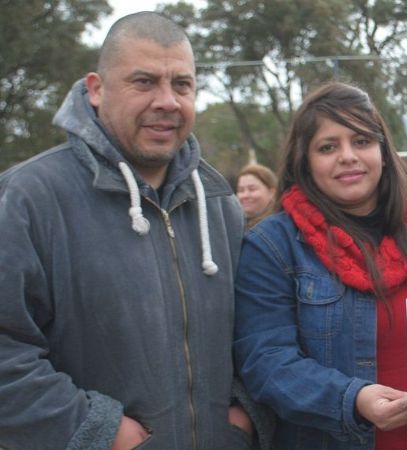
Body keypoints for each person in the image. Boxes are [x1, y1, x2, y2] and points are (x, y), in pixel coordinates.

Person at [0, 12, 262, 450]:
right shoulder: (30, 198)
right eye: (144, 82)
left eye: (182, 84)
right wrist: (100, 432)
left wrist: (242, 415)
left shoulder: (220, 205)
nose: (168, 101)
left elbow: (260, 335)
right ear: (96, 89)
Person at [234, 82, 407, 449]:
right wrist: (353, 400)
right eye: (328, 147)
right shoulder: (272, 246)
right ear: (304, 161)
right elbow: (266, 361)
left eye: (362, 141)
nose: (348, 156)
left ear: (383, 152)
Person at [237, 163, 278, 229]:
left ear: (272, 193)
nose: (245, 195)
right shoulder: (235, 226)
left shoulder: (276, 227)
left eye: (252, 189)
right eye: (241, 190)